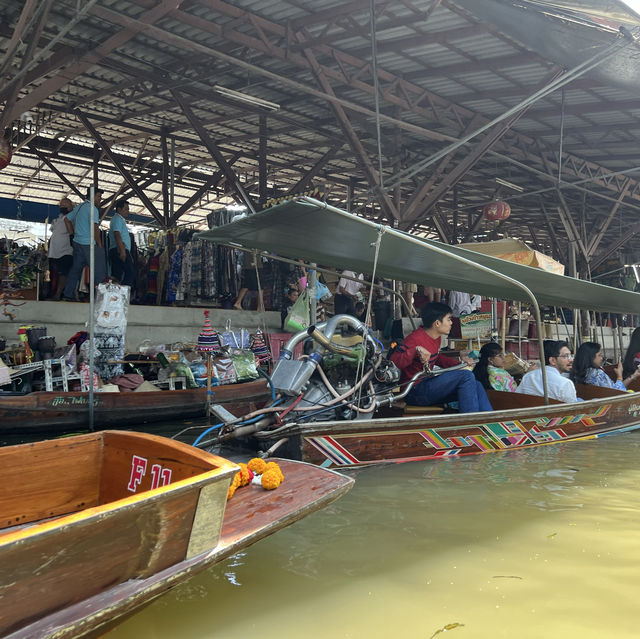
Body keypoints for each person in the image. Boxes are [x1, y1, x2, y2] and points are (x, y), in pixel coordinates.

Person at [390, 302, 493, 413]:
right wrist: (414, 350)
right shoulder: (415, 339)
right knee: (466, 376)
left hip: (428, 386)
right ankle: (470, 422)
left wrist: (459, 363)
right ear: (437, 323)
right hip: (414, 391)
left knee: (476, 384)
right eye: (448, 319)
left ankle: (487, 422)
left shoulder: (436, 338)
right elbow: (394, 362)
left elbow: (437, 357)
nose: (451, 323)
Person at [62, 186, 106, 301]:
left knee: (75, 270)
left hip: (77, 243)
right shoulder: (93, 209)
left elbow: (66, 219)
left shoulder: (80, 207)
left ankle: (68, 294)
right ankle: (101, 297)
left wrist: (72, 234)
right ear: (92, 196)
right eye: (98, 196)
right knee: (99, 271)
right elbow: (95, 227)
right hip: (89, 244)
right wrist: (100, 244)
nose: (100, 199)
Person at [571, 341, 639, 390]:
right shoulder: (597, 374)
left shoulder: (577, 372)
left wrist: (633, 376)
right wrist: (619, 375)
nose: (601, 358)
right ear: (590, 358)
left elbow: (617, 387)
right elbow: (616, 392)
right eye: (599, 355)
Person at [48, 197, 74, 300]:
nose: (63, 207)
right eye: (61, 205)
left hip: (66, 250)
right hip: (54, 252)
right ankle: (53, 292)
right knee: (54, 274)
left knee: (64, 273)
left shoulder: (73, 218)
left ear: (71, 206)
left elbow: (72, 232)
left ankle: (59, 294)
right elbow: (53, 234)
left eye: (65, 205)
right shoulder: (57, 219)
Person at [108, 198, 135, 287]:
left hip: (119, 248)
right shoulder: (117, 219)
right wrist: (122, 251)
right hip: (119, 249)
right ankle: (122, 293)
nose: (128, 211)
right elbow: (117, 234)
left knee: (117, 274)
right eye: (126, 209)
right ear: (119, 209)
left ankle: (115, 293)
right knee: (129, 272)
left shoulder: (119, 220)